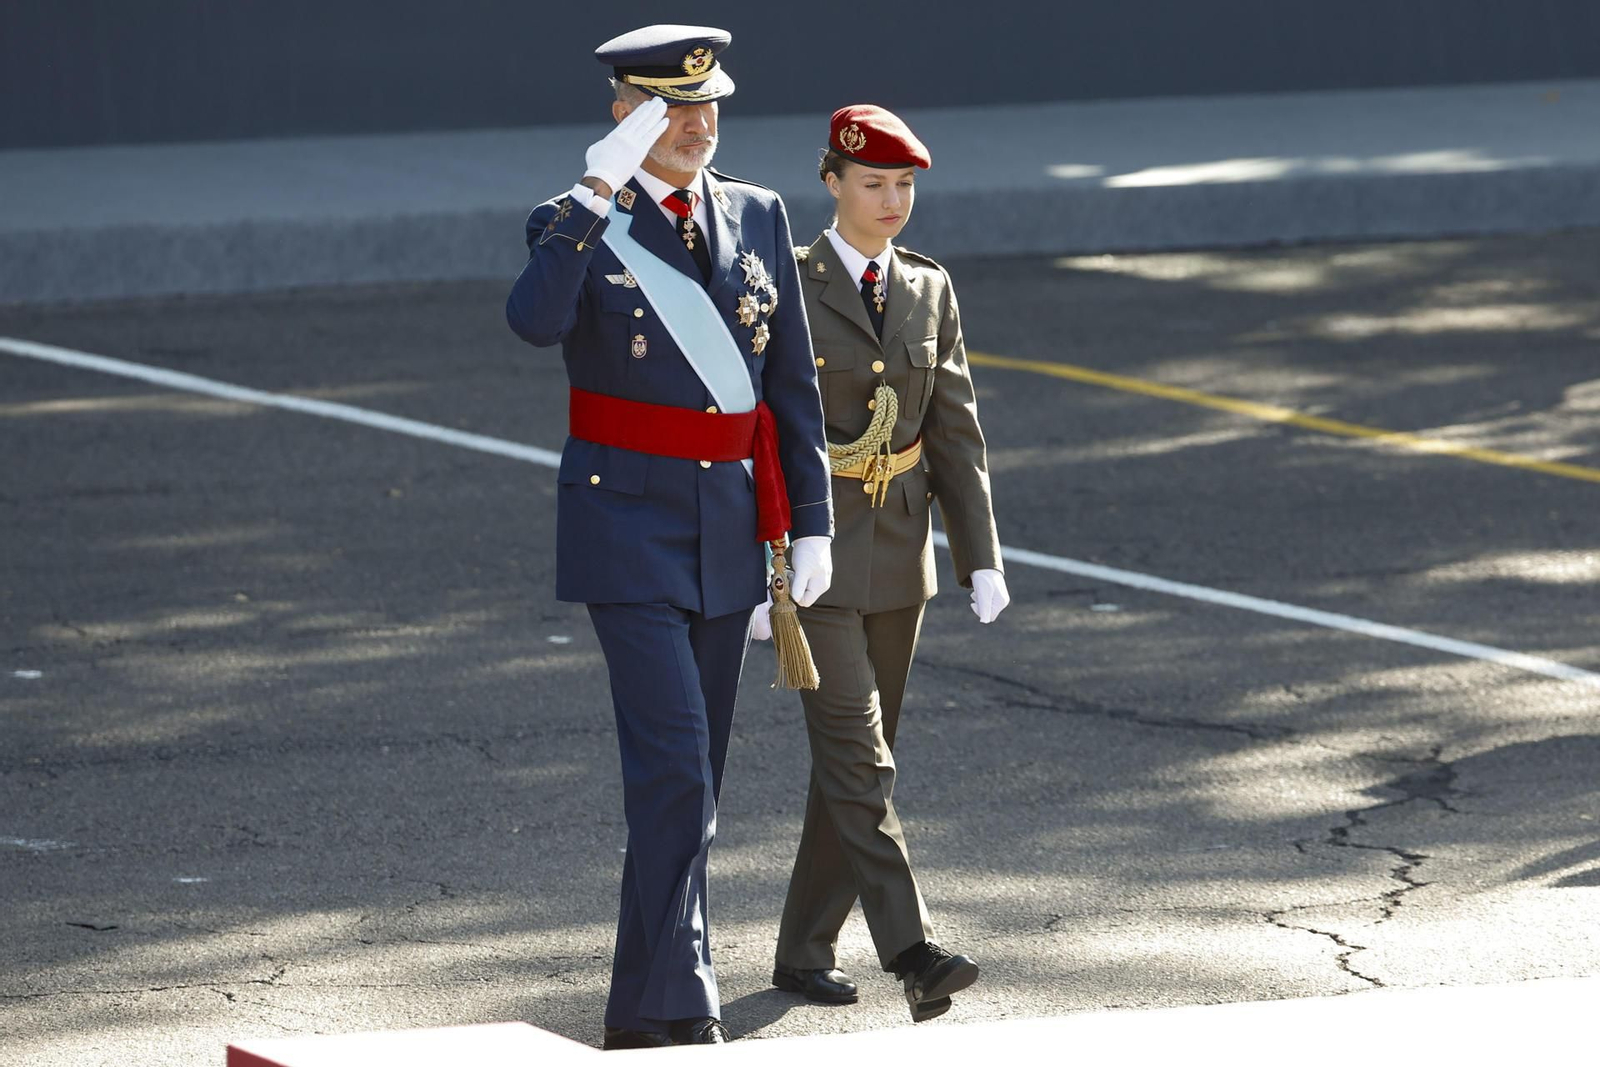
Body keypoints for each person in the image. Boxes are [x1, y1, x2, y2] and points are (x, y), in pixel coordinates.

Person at [505, 24, 834, 1048]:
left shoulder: (760, 213)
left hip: (729, 529)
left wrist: (812, 522)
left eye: (708, 107)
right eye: (671, 109)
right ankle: (686, 1004)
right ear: (624, 114)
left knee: (690, 786)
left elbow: (789, 385)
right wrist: (593, 199)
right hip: (625, 523)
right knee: (678, 768)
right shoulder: (571, 220)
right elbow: (532, 320)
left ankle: (641, 1007)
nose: (697, 126)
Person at [755, 104, 1009, 1024]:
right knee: (861, 758)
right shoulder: (788, 281)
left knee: (857, 762)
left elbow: (955, 430)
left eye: (905, 185)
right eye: (874, 183)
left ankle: (802, 948)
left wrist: (979, 554)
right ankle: (913, 949)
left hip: (901, 556)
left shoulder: (929, 287)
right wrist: (765, 559)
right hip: (815, 561)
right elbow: (764, 432)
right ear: (832, 181)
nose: (893, 200)